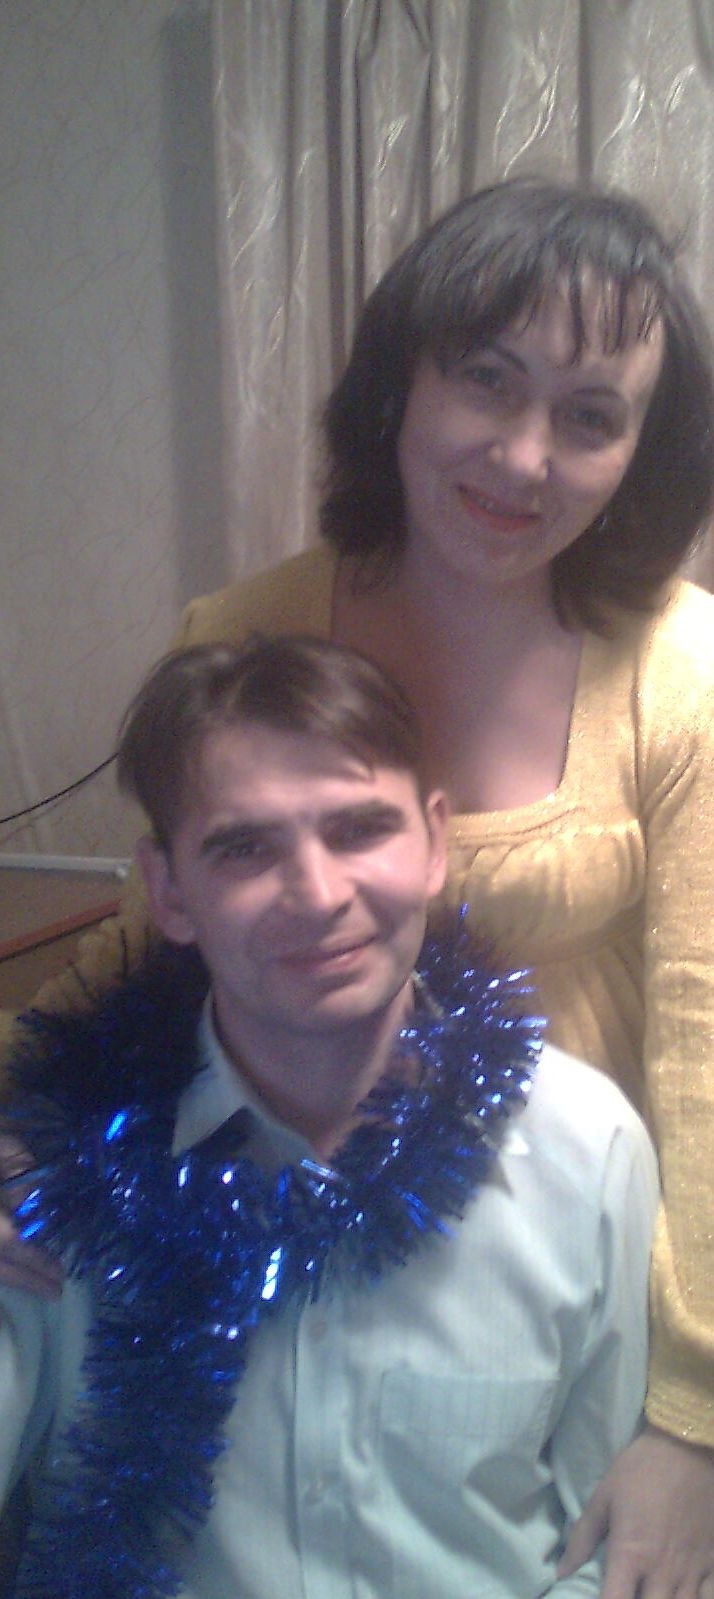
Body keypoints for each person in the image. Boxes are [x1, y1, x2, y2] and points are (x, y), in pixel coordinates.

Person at [2, 176, 714, 1594]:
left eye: (590, 415)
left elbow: (707, 1042)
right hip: (273, 1205)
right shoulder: (247, 626)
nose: (523, 456)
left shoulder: (680, 672)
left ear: (640, 450)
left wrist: (687, 1412)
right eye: (487, 380)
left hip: (568, 1257)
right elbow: (155, 950)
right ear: (401, 381)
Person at [0, 636, 658, 1599]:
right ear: (169, 891)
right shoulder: (56, 1174)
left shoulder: (587, 1151)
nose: (316, 895)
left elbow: (612, 1538)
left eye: (359, 828)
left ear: (434, 843)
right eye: (244, 847)